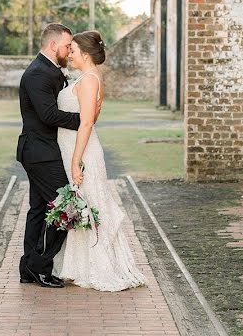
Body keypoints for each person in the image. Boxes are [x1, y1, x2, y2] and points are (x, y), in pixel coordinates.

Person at [53, 30, 146, 291]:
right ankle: (80, 264)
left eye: (72, 50)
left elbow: (86, 123)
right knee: (85, 204)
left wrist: (76, 160)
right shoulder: (87, 77)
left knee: (90, 204)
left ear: (84, 53)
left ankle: (98, 267)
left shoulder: (90, 80)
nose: (69, 54)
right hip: (75, 147)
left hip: (82, 150)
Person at [17, 23, 81, 288]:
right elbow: (48, 115)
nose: (69, 50)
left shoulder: (49, 70)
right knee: (64, 207)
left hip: (43, 151)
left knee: (38, 210)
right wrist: (84, 120)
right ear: (53, 45)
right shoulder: (37, 74)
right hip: (40, 152)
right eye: (67, 45)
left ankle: (28, 268)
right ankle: (40, 267)